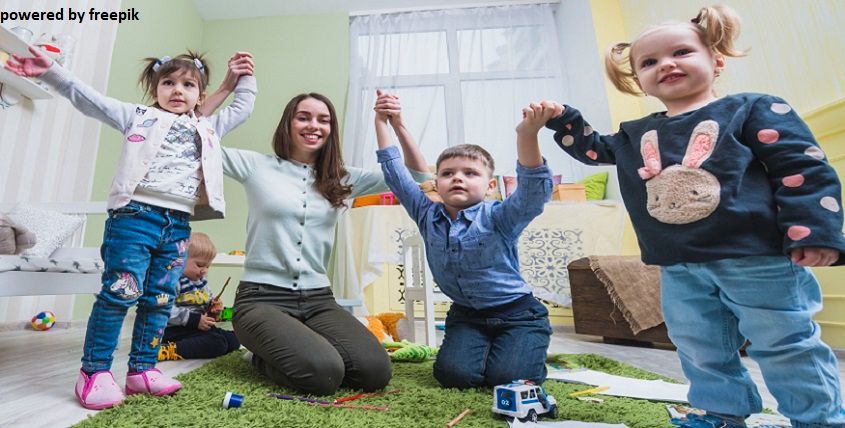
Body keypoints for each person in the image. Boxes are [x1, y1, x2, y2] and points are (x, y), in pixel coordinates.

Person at [545, 5, 845, 427]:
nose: (665, 64)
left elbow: (801, 168)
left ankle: (819, 419)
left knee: (784, 343)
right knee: (697, 344)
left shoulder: (753, 108)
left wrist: (813, 230)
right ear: (641, 82)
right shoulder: (635, 133)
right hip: (677, 263)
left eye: (682, 52)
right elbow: (593, 149)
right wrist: (564, 119)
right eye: (649, 62)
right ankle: (721, 411)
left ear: (716, 61)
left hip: (755, 258)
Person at [5, 49, 256, 409]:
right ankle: (94, 372)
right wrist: (52, 72)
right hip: (134, 219)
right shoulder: (139, 117)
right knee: (120, 294)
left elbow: (243, 107)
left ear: (200, 96)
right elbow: (89, 99)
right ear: (155, 90)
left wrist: (246, 76)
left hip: (178, 225)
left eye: (187, 84)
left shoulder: (208, 126)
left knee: (159, 300)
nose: (176, 90)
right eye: (167, 83)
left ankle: (142, 370)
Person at [219, 91, 431, 395]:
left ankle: (294, 346)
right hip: (261, 299)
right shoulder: (255, 165)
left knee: (375, 372)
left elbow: (418, 176)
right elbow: (199, 144)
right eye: (303, 117)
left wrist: (396, 124)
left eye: (323, 119)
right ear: (288, 124)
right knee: (323, 375)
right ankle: (258, 356)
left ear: (332, 129)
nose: (313, 125)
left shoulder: (342, 178)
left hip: (318, 299)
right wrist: (227, 93)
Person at [374, 90, 555, 388]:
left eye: (470, 173)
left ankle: (525, 350)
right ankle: (489, 352)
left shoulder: (500, 216)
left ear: (490, 185)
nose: (458, 177)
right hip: (467, 316)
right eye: (448, 173)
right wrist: (382, 121)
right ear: (437, 183)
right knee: (453, 377)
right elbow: (395, 174)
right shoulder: (426, 214)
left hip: (519, 315)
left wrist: (528, 134)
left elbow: (534, 191)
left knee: (507, 380)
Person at [158, 232, 239, 361]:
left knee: (234, 339)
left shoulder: (202, 283)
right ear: (180, 259)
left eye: (207, 266)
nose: (204, 270)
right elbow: (164, 309)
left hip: (195, 328)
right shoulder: (174, 281)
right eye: (200, 265)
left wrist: (213, 307)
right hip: (174, 330)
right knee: (218, 343)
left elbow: (206, 305)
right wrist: (194, 320)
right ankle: (169, 349)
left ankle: (207, 341)